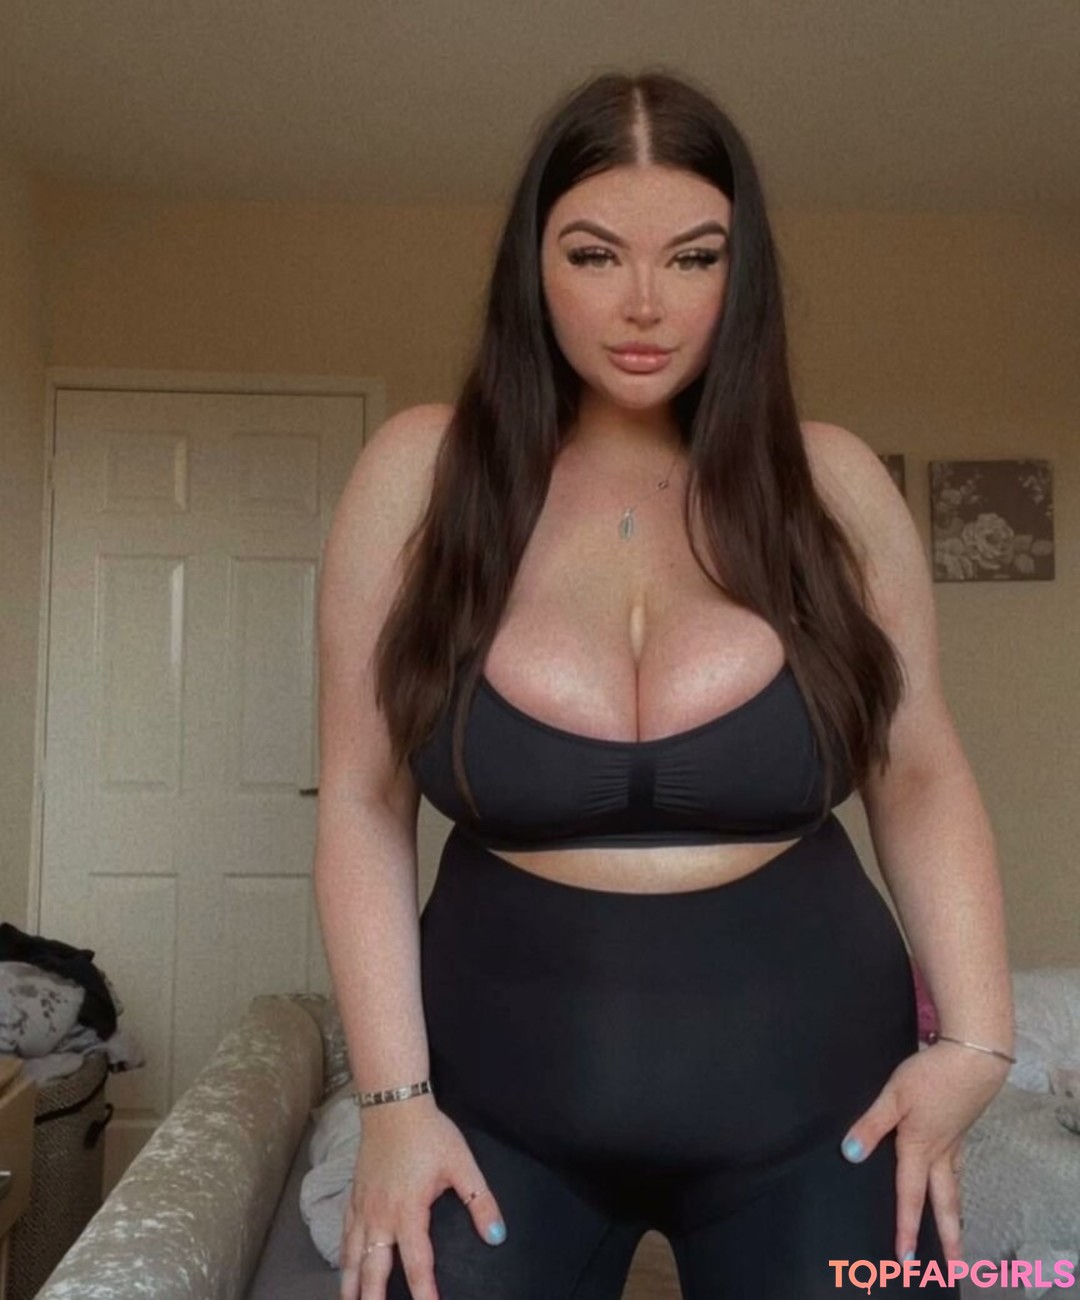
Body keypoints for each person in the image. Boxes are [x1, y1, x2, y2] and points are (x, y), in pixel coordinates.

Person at [314, 69, 1013, 1300]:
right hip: (492, 1113)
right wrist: (392, 1103)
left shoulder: (834, 487)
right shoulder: (422, 474)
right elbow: (363, 797)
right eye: (595, 254)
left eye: (694, 257)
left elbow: (919, 773)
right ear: (532, 265)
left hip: (824, 1113)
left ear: (743, 275)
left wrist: (978, 1042)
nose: (645, 303)